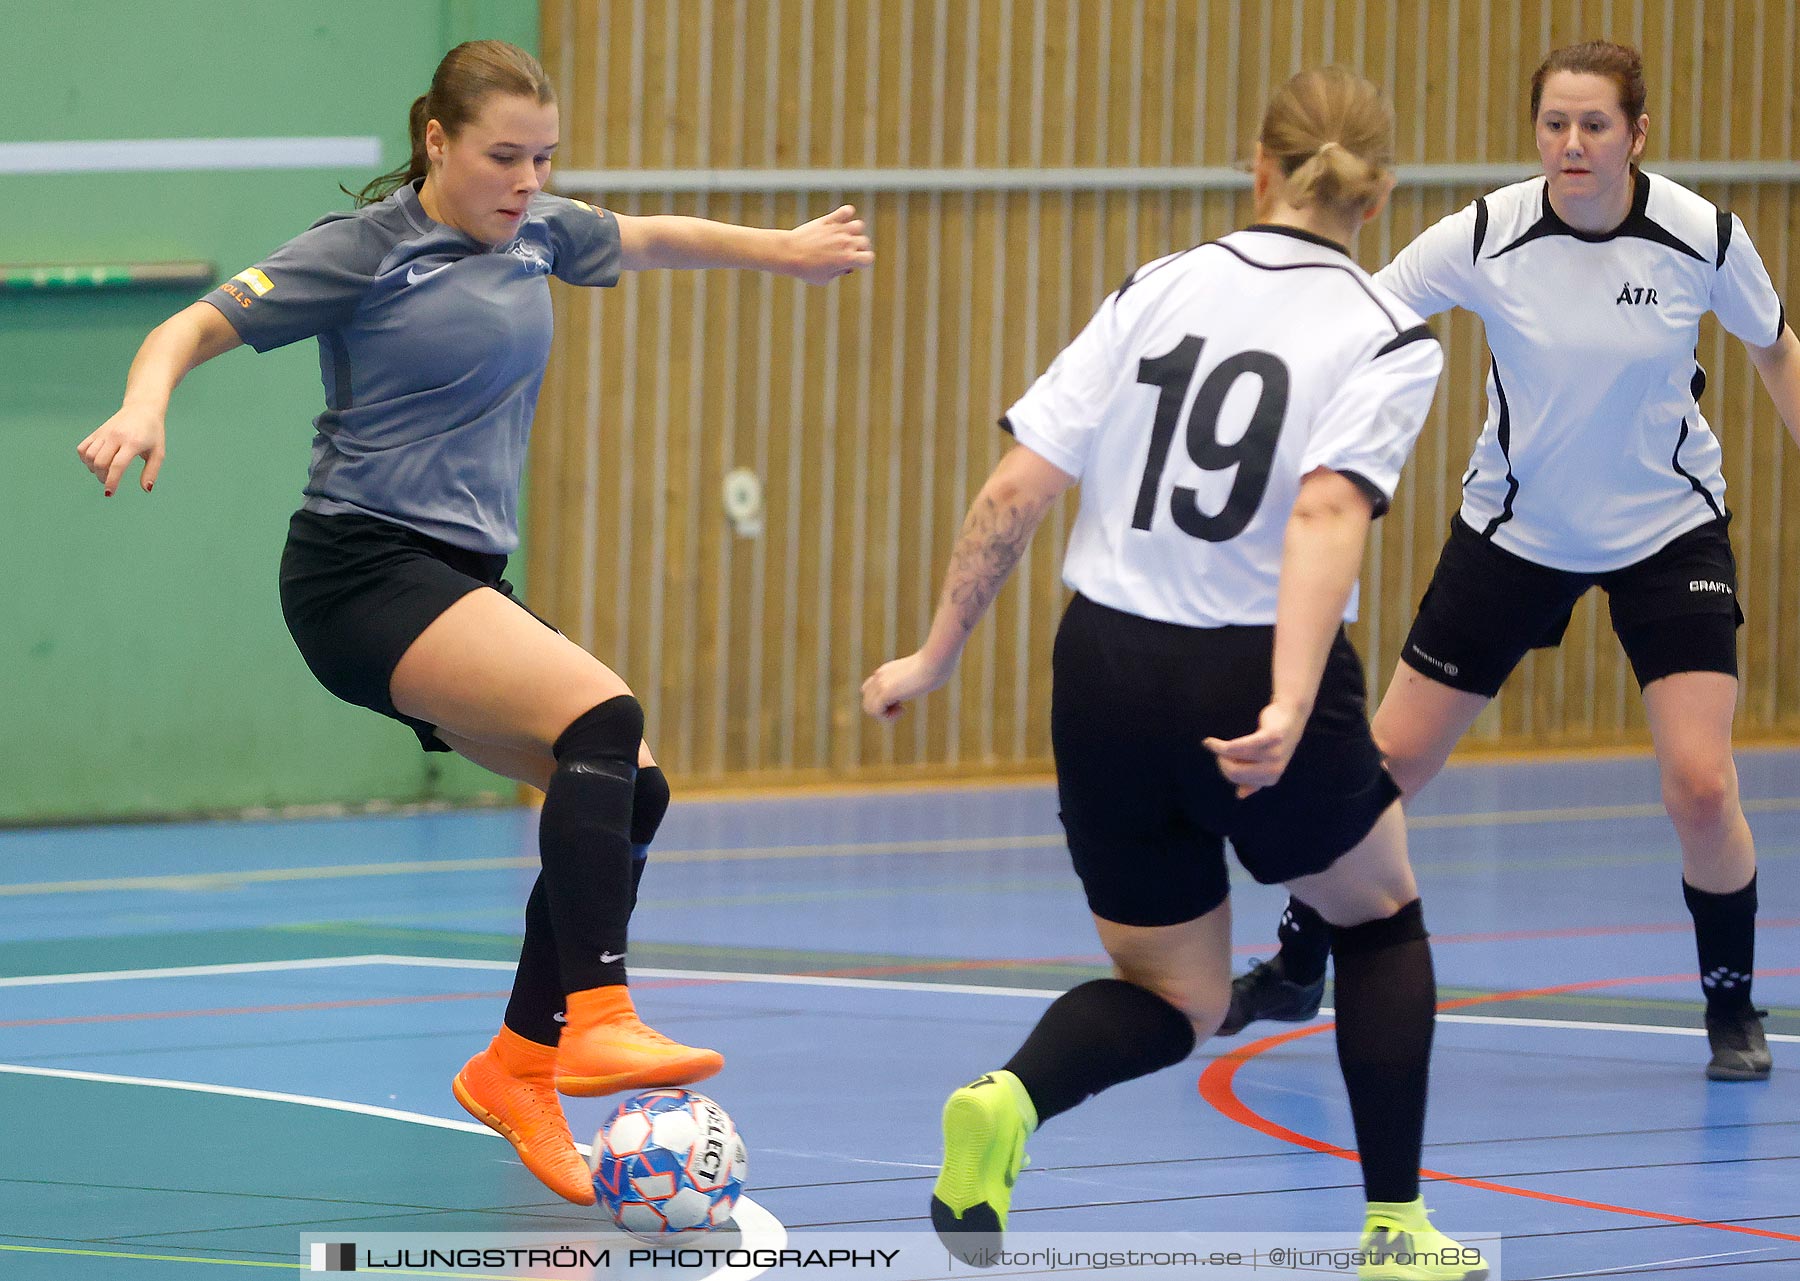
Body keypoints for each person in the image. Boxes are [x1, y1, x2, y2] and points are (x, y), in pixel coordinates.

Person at [76, 39, 872, 1205]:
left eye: (544, 158)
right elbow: (193, 325)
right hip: (358, 573)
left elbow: (650, 238)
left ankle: (515, 1064)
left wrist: (788, 256)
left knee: (631, 786)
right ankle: (598, 1015)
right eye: (503, 155)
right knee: (605, 716)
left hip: (457, 577)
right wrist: (145, 406)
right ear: (436, 141)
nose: (527, 180)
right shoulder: (364, 251)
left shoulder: (540, 229)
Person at [864, 68, 1487, 1281]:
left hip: (1099, 664)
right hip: (1247, 667)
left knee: (1178, 992)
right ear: (1381, 194)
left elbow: (1017, 489)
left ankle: (1009, 1101)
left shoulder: (1157, 286)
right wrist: (1294, 704)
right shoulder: (1385, 332)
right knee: (1379, 914)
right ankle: (1397, 1230)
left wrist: (936, 650)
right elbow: (1323, 514)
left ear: (1258, 165)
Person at [1221, 41, 1796, 1086]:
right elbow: (1364, 314)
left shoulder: (1703, 237)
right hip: (1512, 534)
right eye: (1554, 125)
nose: (1572, 145)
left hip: (1668, 530)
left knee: (1702, 785)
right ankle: (1300, 960)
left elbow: (1773, 346)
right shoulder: (1487, 234)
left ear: (1638, 134)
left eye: (1595, 126)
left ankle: (1731, 1006)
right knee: (1387, 765)